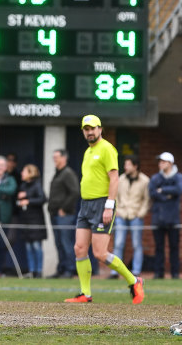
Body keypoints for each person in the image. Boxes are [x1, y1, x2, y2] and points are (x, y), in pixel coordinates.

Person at [64, 114, 143, 305]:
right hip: (86, 204)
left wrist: (109, 205)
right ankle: (85, 293)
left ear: (100, 129)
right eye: (86, 129)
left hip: (101, 204)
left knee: (100, 253)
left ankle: (134, 281)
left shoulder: (107, 149)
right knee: (80, 248)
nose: (89, 132)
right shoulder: (88, 152)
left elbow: (114, 178)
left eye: (92, 128)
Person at [111, 156, 150, 280]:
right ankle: (115, 272)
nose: (125, 167)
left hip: (136, 215)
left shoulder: (145, 180)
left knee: (137, 244)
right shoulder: (121, 179)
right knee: (118, 243)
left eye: (128, 164)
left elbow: (147, 199)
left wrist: (141, 213)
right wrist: (116, 210)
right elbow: (114, 195)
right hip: (121, 215)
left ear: (135, 166)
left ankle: (136, 271)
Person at [149, 151, 182, 279]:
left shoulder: (178, 177)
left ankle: (174, 273)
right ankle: (159, 273)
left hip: (173, 218)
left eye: (163, 162)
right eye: (160, 161)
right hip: (158, 218)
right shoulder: (155, 178)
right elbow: (152, 193)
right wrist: (168, 195)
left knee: (174, 247)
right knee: (159, 247)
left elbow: (179, 190)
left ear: (170, 163)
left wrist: (162, 190)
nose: (160, 164)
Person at [48, 149, 79, 279]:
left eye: (57, 157)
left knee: (66, 242)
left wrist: (64, 208)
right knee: (58, 243)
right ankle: (61, 268)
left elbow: (75, 192)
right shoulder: (58, 173)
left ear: (64, 158)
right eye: (53, 157)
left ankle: (70, 270)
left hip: (64, 215)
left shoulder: (68, 173)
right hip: (54, 214)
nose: (54, 159)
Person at [17, 164, 47, 278]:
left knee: (36, 246)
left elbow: (42, 198)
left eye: (24, 171)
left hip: (36, 220)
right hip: (26, 219)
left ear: (30, 173)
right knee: (28, 247)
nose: (22, 173)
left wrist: (27, 199)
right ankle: (31, 271)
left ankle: (39, 271)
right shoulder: (23, 185)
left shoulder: (37, 184)